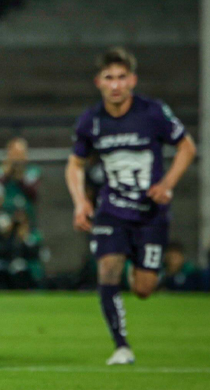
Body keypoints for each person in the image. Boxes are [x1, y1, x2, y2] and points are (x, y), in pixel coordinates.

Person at [65, 47, 197, 365]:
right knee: (108, 269)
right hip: (112, 209)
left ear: (133, 80)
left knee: (143, 288)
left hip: (151, 213)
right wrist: (81, 202)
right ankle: (121, 346)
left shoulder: (152, 112)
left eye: (122, 77)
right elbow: (75, 165)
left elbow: (187, 147)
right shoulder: (92, 121)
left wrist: (166, 185)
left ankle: (137, 258)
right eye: (109, 78)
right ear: (99, 82)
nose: (116, 85)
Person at [0, 137, 40, 223]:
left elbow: (33, 194)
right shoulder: (1, 169)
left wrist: (20, 177)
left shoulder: (32, 170)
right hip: (4, 211)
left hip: (26, 213)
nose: (16, 158)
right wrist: (6, 174)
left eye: (19, 154)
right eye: (14, 154)